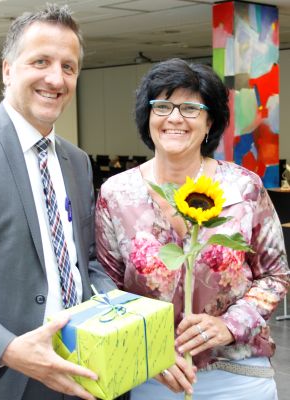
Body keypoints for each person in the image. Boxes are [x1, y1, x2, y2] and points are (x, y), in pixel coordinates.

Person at [95, 58, 290, 399]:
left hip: (237, 373)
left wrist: (231, 324)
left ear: (209, 120)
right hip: (154, 375)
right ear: (148, 116)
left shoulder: (243, 188)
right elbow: (106, 291)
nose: (174, 117)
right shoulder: (117, 194)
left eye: (189, 107)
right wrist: (147, 348)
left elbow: (276, 275)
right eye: (163, 105)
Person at [0, 4, 120, 400]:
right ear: (8, 69)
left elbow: (86, 262)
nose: (56, 78)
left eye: (69, 67)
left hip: (78, 370)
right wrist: (8, 350)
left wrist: (123, 310)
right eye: (41, 61)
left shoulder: (77, 161)